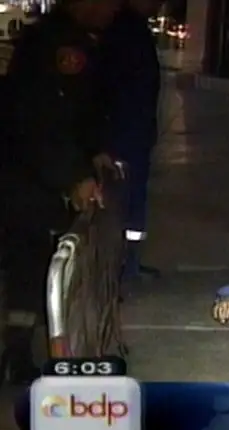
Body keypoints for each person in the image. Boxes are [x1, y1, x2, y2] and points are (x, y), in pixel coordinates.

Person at [0, 0, 121, 386]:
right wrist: (73, 176)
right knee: (27, 268)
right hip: (27, 181)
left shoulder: (80, 41)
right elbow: (40, 123)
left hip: (45, 180)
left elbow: (84, 113)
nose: (113, 9)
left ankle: (21, 352)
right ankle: (16, 355)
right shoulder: (53, 46)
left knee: (37, 270)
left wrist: (95, 152)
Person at [102, 0, 162, 280]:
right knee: (122, 203)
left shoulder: (132, 28)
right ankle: (120, 268)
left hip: (135, 132)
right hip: (123, 134)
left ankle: (130, 264)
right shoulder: (122, 29)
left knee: (132, 204)